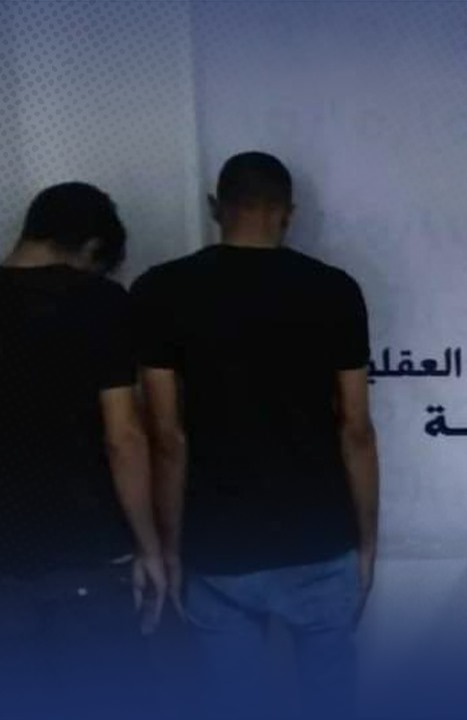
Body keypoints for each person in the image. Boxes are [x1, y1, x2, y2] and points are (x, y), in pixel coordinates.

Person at [132, 152, 379, 718]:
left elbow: (166, 437)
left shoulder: (162, 290)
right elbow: (356, 430)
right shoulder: (334, 291)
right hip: (320, 538)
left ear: (215, 207)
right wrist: (366, 543)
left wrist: (169, 549)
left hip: (219, 545)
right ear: (288, 213)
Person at [0, 183, 166, 718]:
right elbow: (124, 439)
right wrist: (150, 547)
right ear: (93, 248)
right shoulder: (100, 302)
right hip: (87, 554)